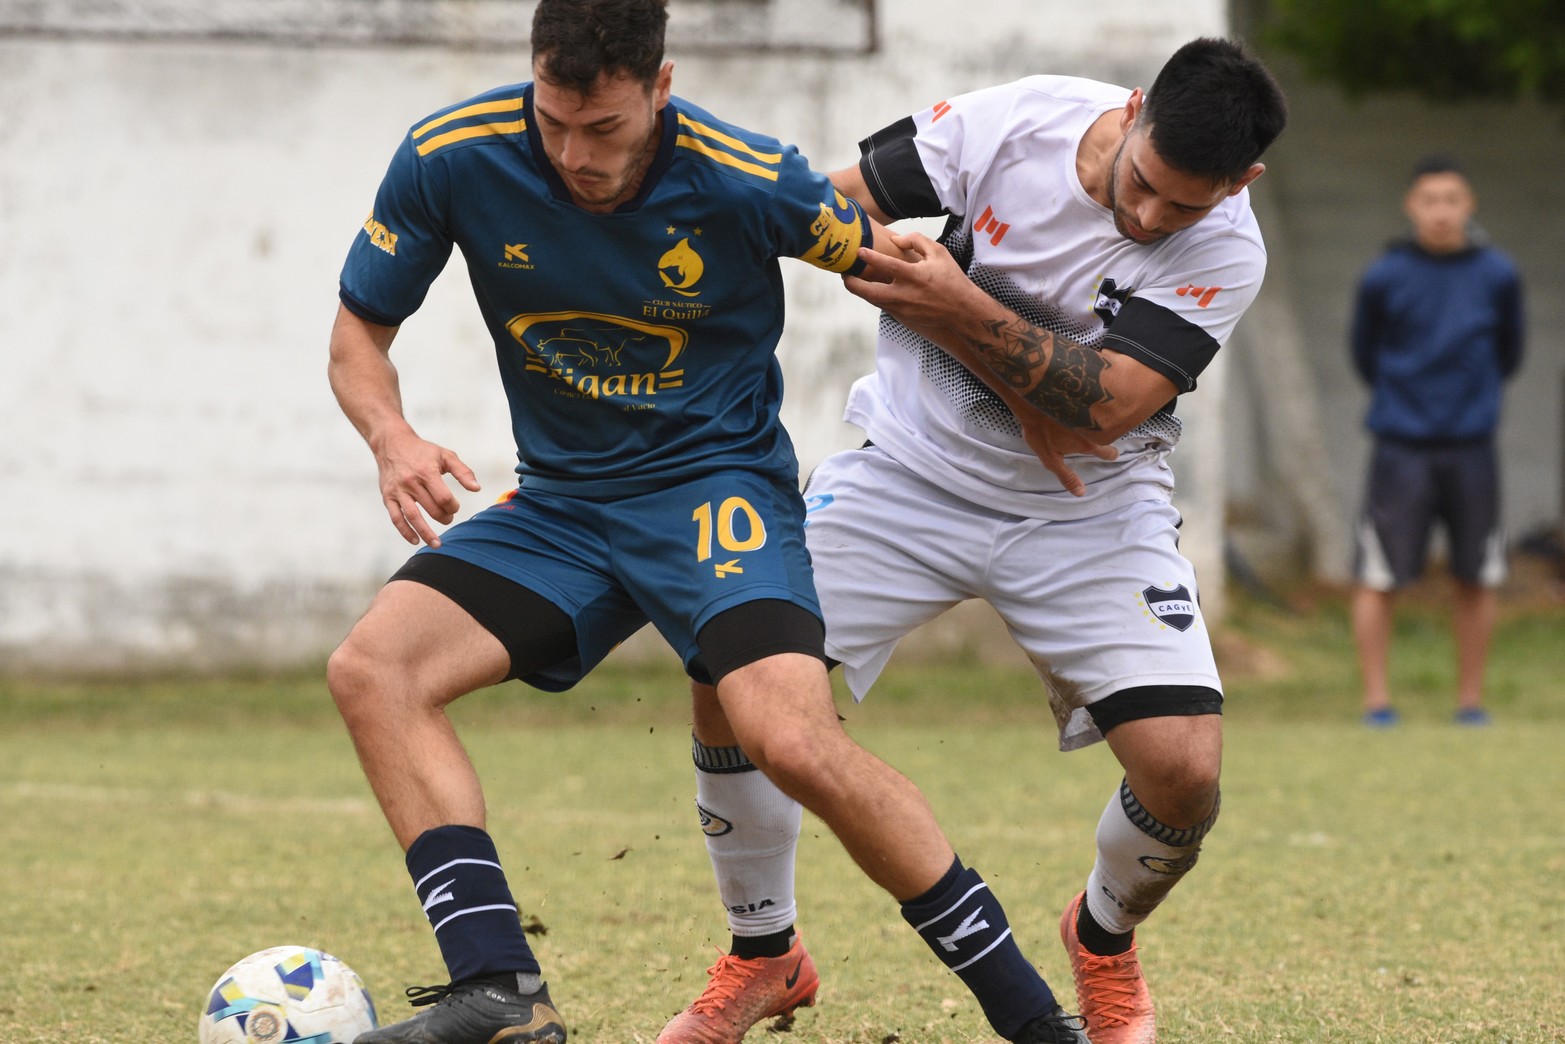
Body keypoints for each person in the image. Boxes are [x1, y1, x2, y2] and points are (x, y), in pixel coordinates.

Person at [325, 1, 1088, 1042]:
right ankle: (497, 993)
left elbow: (906, 277)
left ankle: (1035, 1024)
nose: (571, 155)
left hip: (713, 494)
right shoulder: (452, 154)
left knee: (791, 741)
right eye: (553, 121)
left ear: (660, 87)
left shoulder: (746, 174)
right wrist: (391, 437)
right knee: (374, 670)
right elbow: (358, 336)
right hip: (561, 504)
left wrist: (1034, 387)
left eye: (602, 130)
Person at [659, 38, 1288, 1044]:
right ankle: (763, 951)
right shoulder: (1012, 126)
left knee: (1184, 773)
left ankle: (1101, 938)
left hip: (1090, 509)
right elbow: (827, 212)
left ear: (1241, 181)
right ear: (1131, 111)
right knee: (727, 668)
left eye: (1185, 206)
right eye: (1145, 187)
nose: (1149, 220)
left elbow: (1108, 410)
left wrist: (958, 305)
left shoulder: (1228, 249)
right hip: (905, 475)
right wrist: (1011, 364)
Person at [1349, 155, 1524, 729]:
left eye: (1453, 200)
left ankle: (1470, 702)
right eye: (1431, 200)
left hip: (1473, 444)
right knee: (1379, 575)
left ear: (1468, 205)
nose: (1442, 211)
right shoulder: (1385, 275)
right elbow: (1364, 354)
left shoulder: (1498, 274)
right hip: (1401, 444)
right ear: (1412, 206)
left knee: (1476, 574)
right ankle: (1377, 702)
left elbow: (1510, 354)